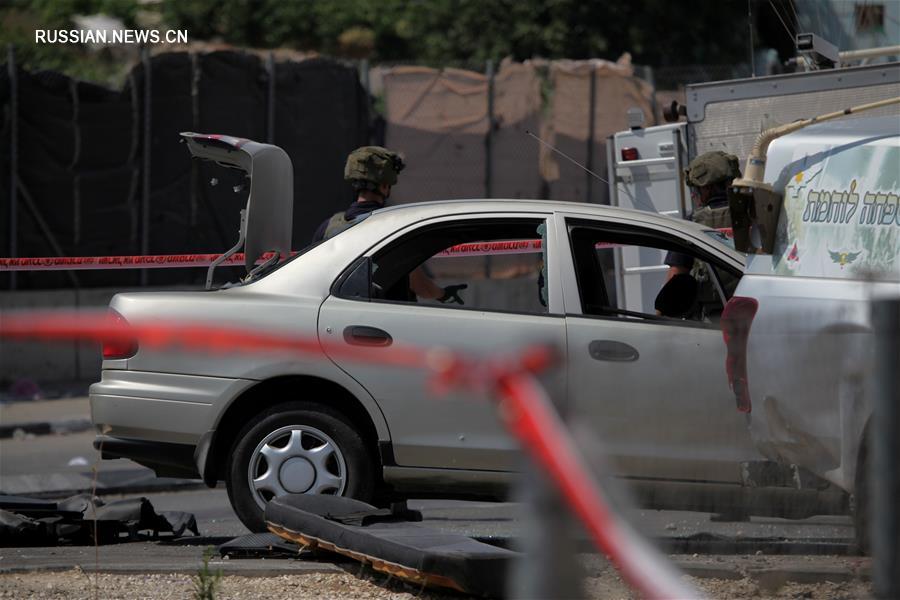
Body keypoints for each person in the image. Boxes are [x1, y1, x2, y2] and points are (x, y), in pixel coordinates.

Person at [313, 146, 466, 304]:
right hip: (386, 322)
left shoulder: (327, 229)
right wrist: (443, 294)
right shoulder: (395, 228)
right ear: (385, 186)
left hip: (335, 320)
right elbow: (418, 284)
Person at [656, 151, 741, 318]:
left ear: (707, 188)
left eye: (697, 189)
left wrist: (659, 317)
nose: (696, 194)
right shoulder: (751, 213)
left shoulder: (693, 222)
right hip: (756, 310)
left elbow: (677, 273)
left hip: (713, 316)